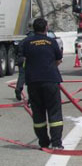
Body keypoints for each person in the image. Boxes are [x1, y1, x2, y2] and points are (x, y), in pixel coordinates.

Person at [22, 17, 64, 149]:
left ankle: (44, 143)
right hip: (51, 81)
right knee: (54, 112)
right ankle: (56, 143)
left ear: (33, 29)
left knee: (38, 113)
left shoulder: (26, 42)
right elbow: (58, 60)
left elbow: (23, 61)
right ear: (46, 28)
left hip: (33, 82)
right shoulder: (51, 42)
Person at [15, 19, 35, 100]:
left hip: (21, 59)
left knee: (22, 75)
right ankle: (31, 98)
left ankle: (18, 88)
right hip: (29, 60)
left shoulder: (24, 39)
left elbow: (17, 50)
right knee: (32, 79)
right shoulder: (35, 38)